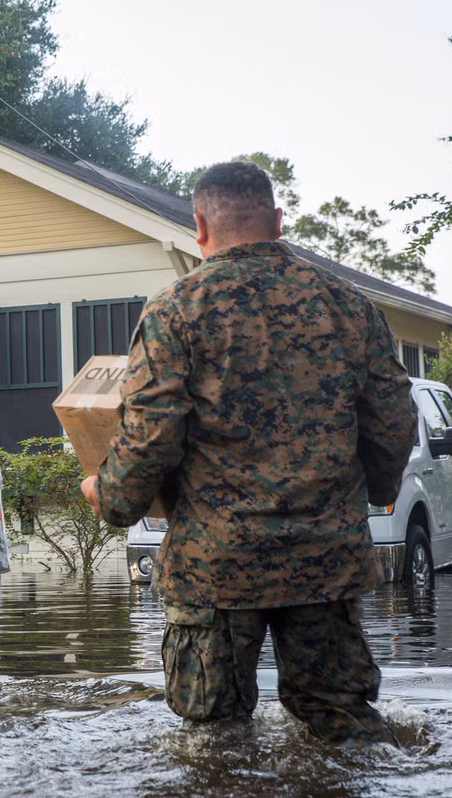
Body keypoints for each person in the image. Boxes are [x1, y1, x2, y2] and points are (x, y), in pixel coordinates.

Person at [80, 162, 416, 744]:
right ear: (278, 221)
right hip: (327, 560)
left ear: (199, 228)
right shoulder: (348, 305)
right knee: (345, 733)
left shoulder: (176, 309)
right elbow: (393, 422)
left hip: (216, 568)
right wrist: (377, 495)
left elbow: (151, 436)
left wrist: (108, 497)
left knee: (215, 742)